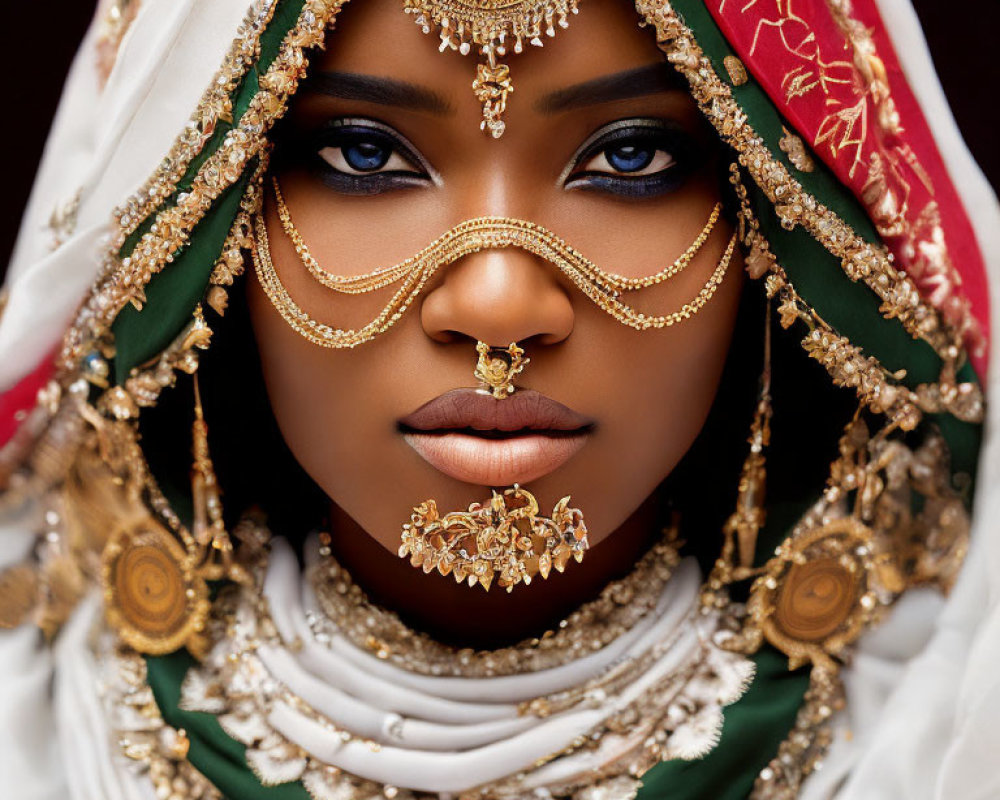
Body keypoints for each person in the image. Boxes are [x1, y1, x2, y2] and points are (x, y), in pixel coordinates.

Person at [0, 0, 996, 798]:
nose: (498, 307)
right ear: (206, 206)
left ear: (782, 217)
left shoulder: (942, 715)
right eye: (362, 153)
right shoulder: (38, 718)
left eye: (630, 156)